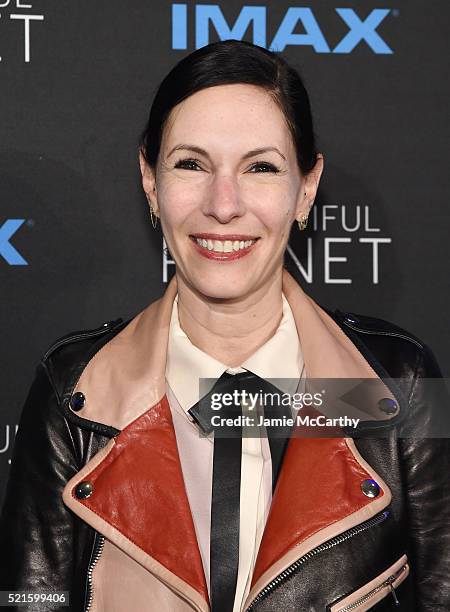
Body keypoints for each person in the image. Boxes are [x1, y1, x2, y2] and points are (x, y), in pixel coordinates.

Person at [0, 39, 449, 612]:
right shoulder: (75, 392)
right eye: (191, 164)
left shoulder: (400, 385)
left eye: (260, 167)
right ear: (149, 181)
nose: (223, 204)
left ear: (306, 189)